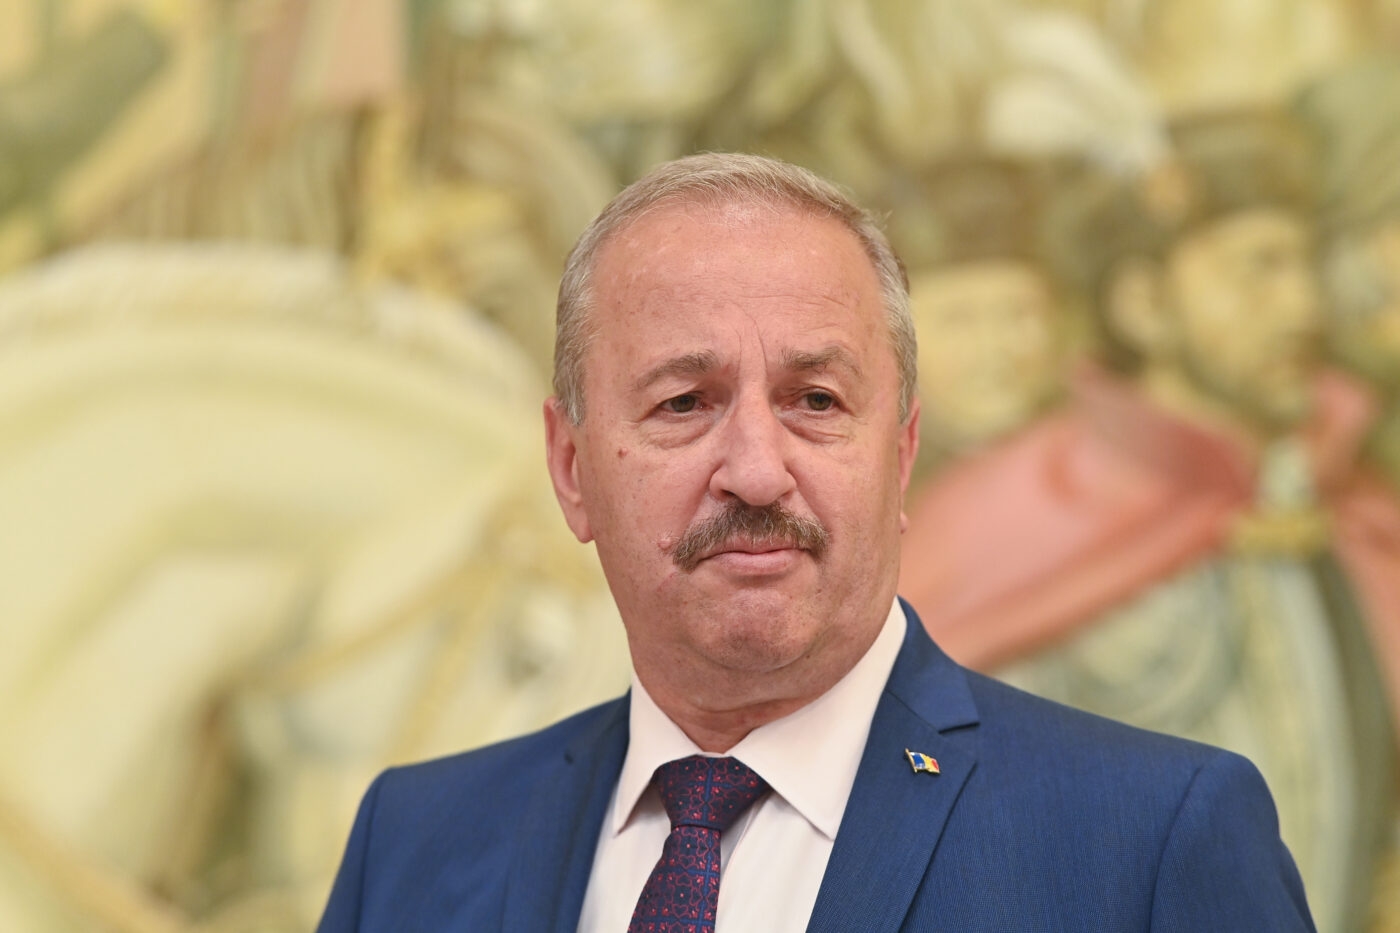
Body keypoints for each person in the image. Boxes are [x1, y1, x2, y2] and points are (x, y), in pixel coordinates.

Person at [316, 152, 1314, 931]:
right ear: (572, 469)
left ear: (901, 456)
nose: (756, 470)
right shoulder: (412, 843)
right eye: (682, 401)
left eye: (817, 400)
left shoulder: (1153, 838)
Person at [899, 111, 1400, 932]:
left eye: (1304, 263)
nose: (1303, 305)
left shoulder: (1343, 502)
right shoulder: (1004, 517)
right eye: (1258, 270)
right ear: (1144, 306)